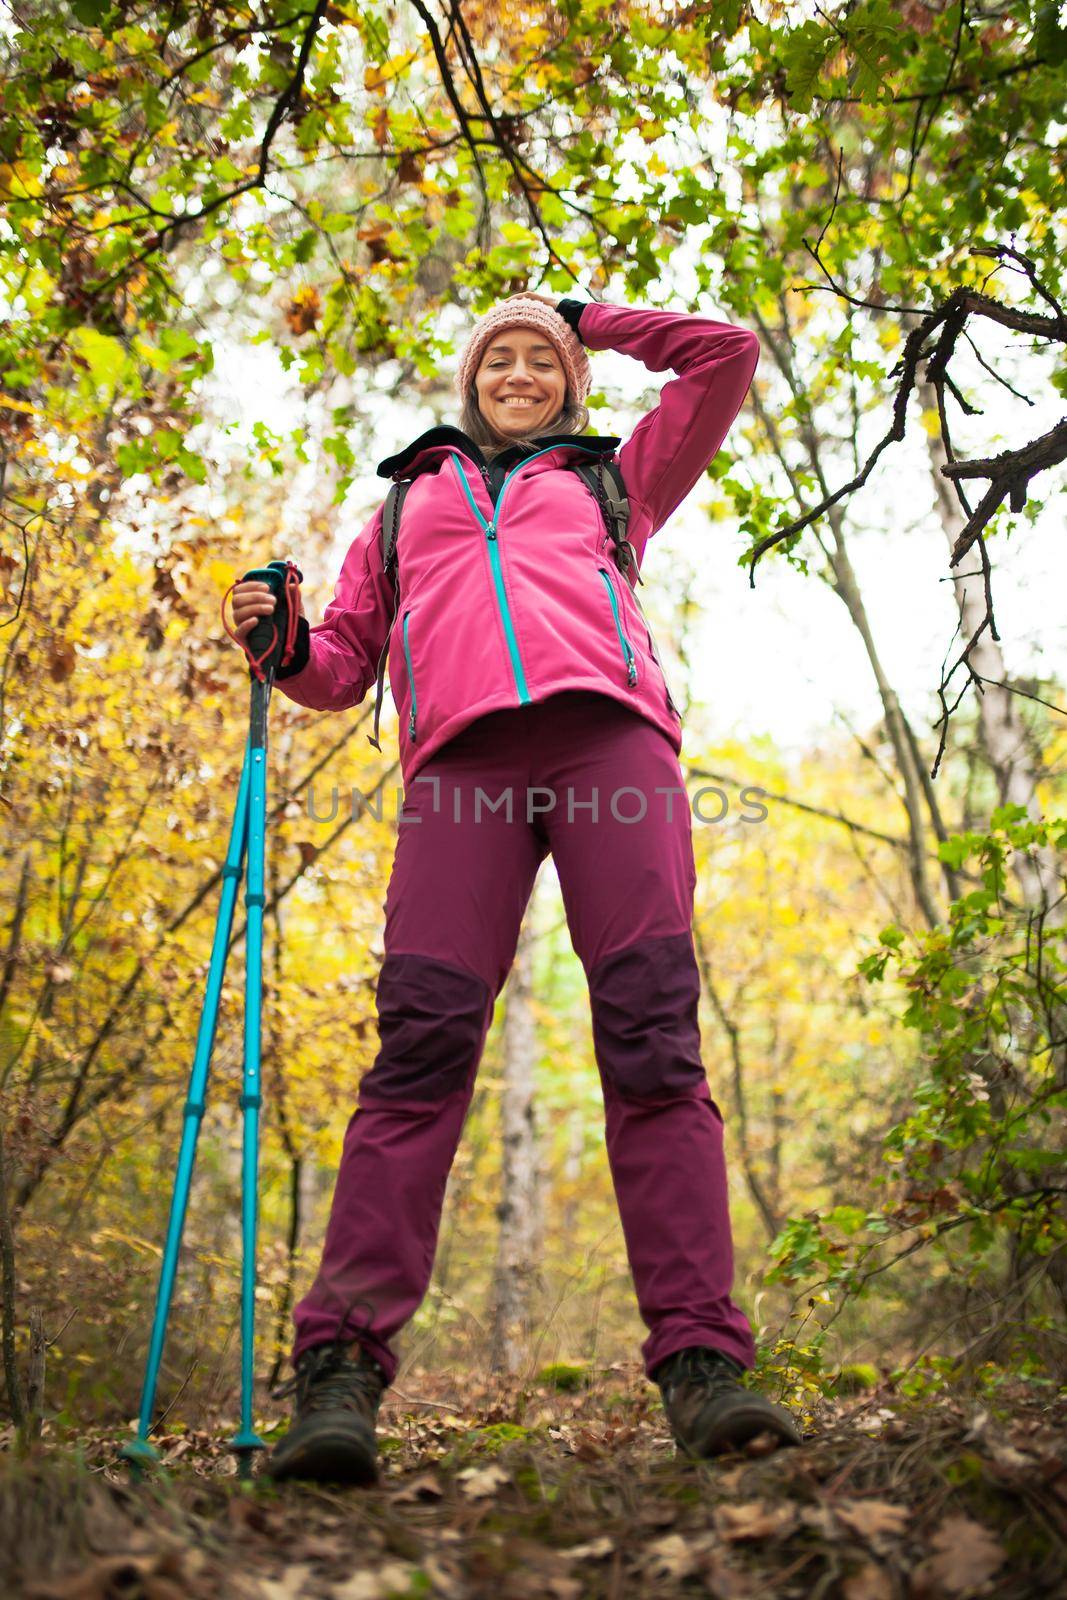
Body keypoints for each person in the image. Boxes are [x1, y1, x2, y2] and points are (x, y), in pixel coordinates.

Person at [228, 290, 802, 1484]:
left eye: (542, 359)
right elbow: (339, 665)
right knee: (421, 1047)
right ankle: (338, 1374)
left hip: (610, 749)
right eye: (502, 356)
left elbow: (724, 354)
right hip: (463, 774)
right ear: (468, 381)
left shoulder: (613, 482)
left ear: (572, 381)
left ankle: (702, 1363)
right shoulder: (401, 509)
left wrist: (583, 313)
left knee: (651, 1038)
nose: (522, 371)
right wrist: (280, 640)